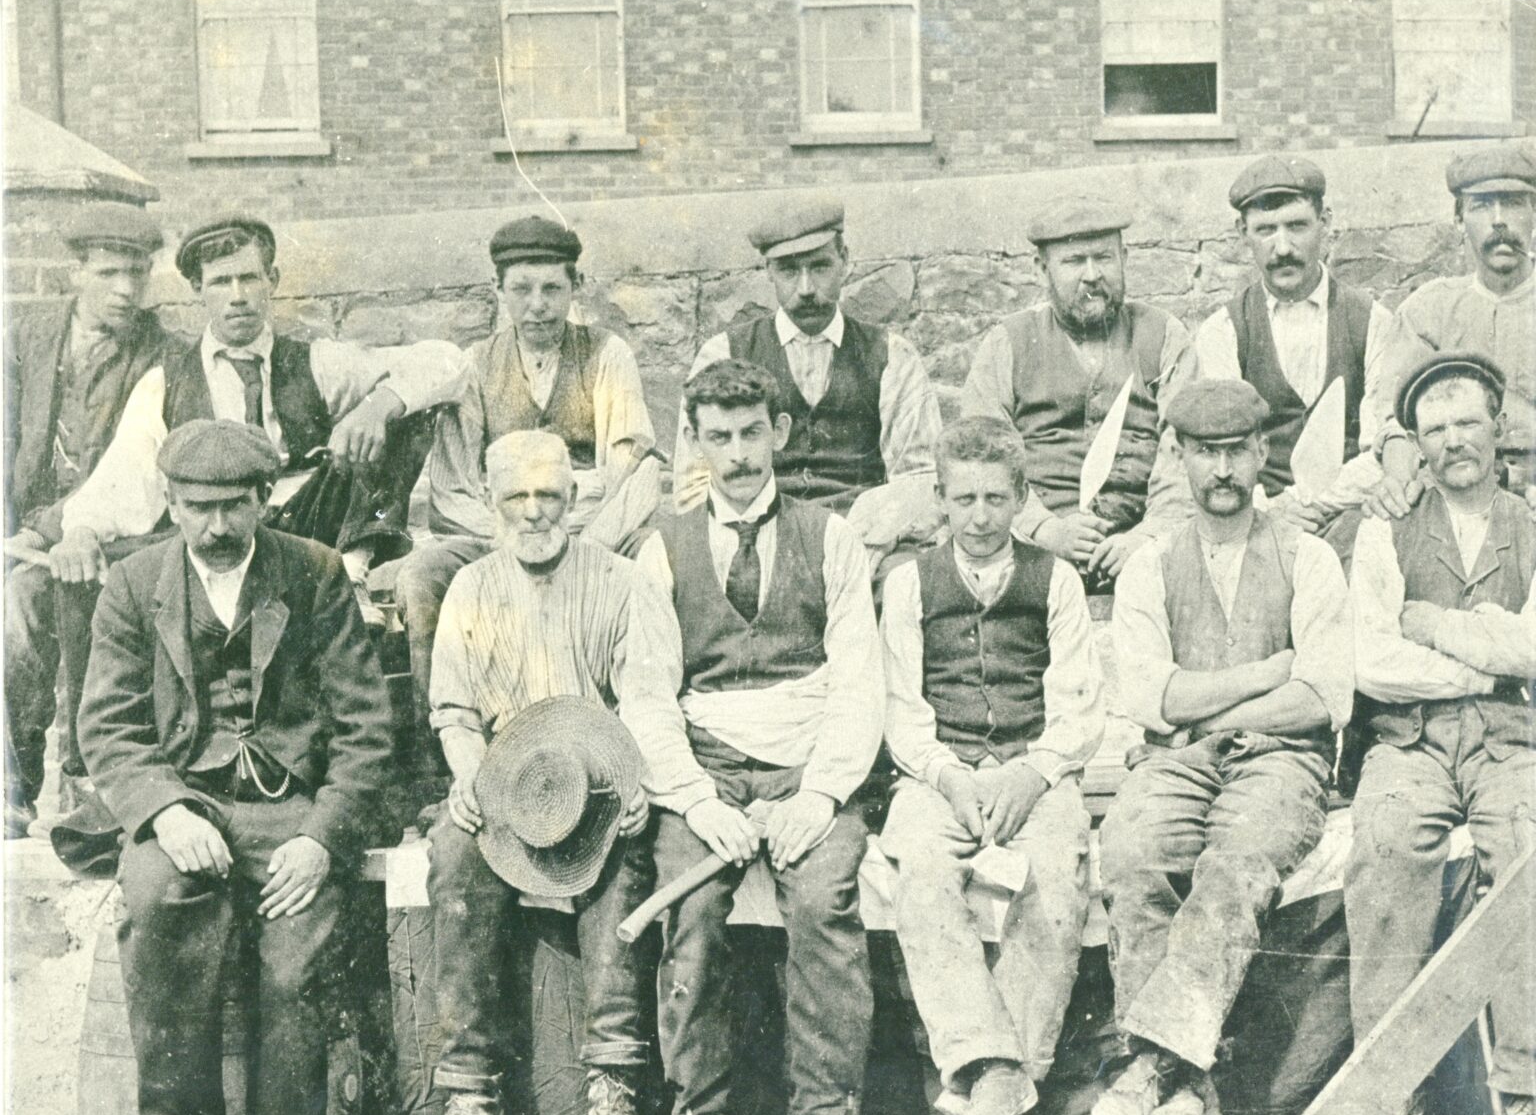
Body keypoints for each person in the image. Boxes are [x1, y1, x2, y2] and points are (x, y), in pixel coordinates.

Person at [76, 420, 394, 1115]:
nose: (216, 526)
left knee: (299, 956)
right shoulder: (134, 582)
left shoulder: (314, 574)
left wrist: (323, 837)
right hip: (188, 803)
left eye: (233, 506)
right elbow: (108, 726)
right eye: (197, 507)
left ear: (264, 499)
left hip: (291, 813)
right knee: (155, 897)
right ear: (172, 503)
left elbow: (365, 728)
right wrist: (165, 811)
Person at [627, 359, 884, 1115]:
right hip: (708, 773)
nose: (737, 454)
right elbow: (648, 697)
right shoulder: (661, 549)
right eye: (718, 436)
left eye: (751, 433)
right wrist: (699, 800)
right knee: (692, 914)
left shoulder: (830, 535)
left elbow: (859, 683)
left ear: (778, 431)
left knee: (823, 907)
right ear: (695, 441)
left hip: (810, 766)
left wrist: (819, 795)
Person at [1093, 378, 1353, 1115]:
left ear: (1262, 451)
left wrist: (1208, 709)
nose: (1223, 469)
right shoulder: (1150, 564)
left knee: (1237, 864)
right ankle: (1185, 1081)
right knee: (1132, 849)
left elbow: (1321, 694)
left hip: (1281, 759)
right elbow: (1150, 691)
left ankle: (1151, 1068)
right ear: (1177, 457)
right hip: (1176, 760)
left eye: (1237, 449)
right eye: (1205, 451)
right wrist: (1258, 675)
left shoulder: (1307, 557)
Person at [424, 430, 659, 1115]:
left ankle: (612, 1081)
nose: (534, 512)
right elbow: (454, 710)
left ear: (574, 499)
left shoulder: (620, 581)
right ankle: (470, 1089)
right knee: (452, 850)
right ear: (493, 506)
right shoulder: (470, 588)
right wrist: (468, 774)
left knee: (625, 855)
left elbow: (648, 696)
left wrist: (639, 780)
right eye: (517, 498)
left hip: (597, 782)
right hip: (506, 787)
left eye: (548, 495)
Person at [54, 213, 465, 625]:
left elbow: (448, 361)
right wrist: (81, 531)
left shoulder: (317, 362)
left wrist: (377, 406)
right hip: (216, 533)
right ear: (198, 289)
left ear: (273, 280)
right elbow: (123, 475)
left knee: (403, 406)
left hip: (305, 531)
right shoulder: (166, 383)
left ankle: (350, 573)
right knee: (86, 578)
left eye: (249, 279)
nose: (238, 296)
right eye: (220, 282)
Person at [879, 417, 1105, 1115]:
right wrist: (947, 776)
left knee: (1057, 876)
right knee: (920, 869)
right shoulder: (909, 582)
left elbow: (1079, 703)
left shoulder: (1057, 578)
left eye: (996, 498)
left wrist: (1031, 771)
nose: (979, 516)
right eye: (964, 498)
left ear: (1022, 498)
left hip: (1032, 766)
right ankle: (987, 1058)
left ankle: (1013, 1069)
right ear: (940, 499)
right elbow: (901, 710)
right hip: (938, 772)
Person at [1344, 353, 1535, 1115]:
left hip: (1509, 735)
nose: (1455, 441)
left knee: (1526, 844)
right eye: (1436, 429)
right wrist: (1485, 655)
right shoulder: (1383, 529)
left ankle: (1527, 1083)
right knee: (1386, 843)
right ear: (1416, 445)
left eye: (1468, 422)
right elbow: (1371, 659)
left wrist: (1439, 624)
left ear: (1497, 427)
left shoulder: (1532, 522)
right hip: (1410, 738)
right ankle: (1383, 1089)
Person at [397, 216, 660, 768]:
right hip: (497, 532)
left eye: (552, 289)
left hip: (594, 530)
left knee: (658, 561)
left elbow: (630, 470)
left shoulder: (607, 355)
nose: (537, 305)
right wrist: (513, 541)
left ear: (576, 287)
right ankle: (438, 766)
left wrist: (578, 539)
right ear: (498, 291)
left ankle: (647, 747)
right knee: (421, 576)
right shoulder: (474, 366)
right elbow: (453, 488)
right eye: (521, 290)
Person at [4, 202, 178, 833]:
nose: (126, 289)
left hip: (114, 537)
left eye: (138, 273)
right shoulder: (27, 337)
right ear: (74, 271)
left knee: (28, 604)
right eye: (109, 273)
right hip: (26, 531)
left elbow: (133, 472)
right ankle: (14, 785)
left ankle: (79, 782)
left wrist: (56, 530)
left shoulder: (162, 351)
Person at [677, 198, 943, 571]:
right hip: (757, 535)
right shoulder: (724, 354)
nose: (805, 288)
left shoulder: (892, 357)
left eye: (819, 267)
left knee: (909, 580)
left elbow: (920, 476)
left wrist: (866, 542)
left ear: (844, 261)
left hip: (866, 540)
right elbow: (693, 481)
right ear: (767, 270)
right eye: (788, 270)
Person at [963, 196, 1196, 585]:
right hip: (1029, 546)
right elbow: (981, 456)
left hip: (1144, 542)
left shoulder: (1163, 336)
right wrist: (1045, 530)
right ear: (1043, 269)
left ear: (1124, 258)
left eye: (1103, 258)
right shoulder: (1008, 343)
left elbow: (1184, 452)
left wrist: (1147, 537)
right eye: (1073, 262)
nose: (1092, 275)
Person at [1194, 155, 1417, 545]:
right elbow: (1221, 446)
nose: (1282, 248)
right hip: (1255, 521)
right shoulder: (1223, 331)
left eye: (1297, 226)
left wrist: (1315, 503)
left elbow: (1383, 440)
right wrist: (1269, 508)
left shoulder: (1372, 321)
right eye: (1265, 230)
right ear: (1242, 232)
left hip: (1352, 515)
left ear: (1325, 223)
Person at [1382, 144, 1536, 515]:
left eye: (1514, 203)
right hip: (1452, 491)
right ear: (1458, 219)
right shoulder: (1427, 311)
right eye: (1481, 206)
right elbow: (1395, 423)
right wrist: (1399, 483)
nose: (1499, 221)